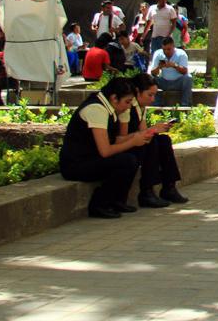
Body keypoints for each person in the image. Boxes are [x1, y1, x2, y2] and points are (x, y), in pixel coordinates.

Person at [59, 76, 155, 218]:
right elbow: (105, 151)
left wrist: (139, 137)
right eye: (127, 102)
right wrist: (133, 142)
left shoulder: (109, 108)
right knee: (126, 160)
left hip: (92, 158)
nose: (129, 106)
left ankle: (118, 200)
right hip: (77, 164)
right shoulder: (96, 109)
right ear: (114, 98)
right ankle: (100, 204)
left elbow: (116, 140)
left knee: (138, 151)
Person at [122, 73, 188, 207]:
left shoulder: (141, 107)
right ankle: (146, 191)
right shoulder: (127, 107)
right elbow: (123, 136)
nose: (152, 99)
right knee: (151, 143)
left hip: (137, 141)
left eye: (154, 95)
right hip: (126, 145)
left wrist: (156, 129)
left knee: (163, 140)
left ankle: (169, 187)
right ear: (137, 92)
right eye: (149, 95)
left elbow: (143, 130)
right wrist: (152, 130)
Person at [148, 37, 193, 107]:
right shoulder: (158, 53)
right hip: (164, 82)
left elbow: (185, 71)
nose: (166, 52)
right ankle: (156, 103)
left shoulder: (181, 54)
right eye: (164, 49)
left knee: (188, 78)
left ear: (173, 46)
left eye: (168, 49)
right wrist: (159, 67)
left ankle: (185, 104)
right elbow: (153, 73)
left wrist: (174, 66)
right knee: (150, 78)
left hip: (178, 82)